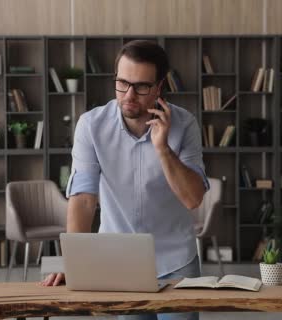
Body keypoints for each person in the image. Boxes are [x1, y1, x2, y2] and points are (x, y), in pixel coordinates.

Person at [40, 40, 209, 320]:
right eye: (122, 83)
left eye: (141, 86)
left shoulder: (185, 124)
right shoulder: (91, 125)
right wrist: (71, 261)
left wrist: (163, 148)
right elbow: (83, 199)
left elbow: (193, 198)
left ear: (159, 88)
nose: (129, 95)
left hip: (177, 259)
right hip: (120, 260)